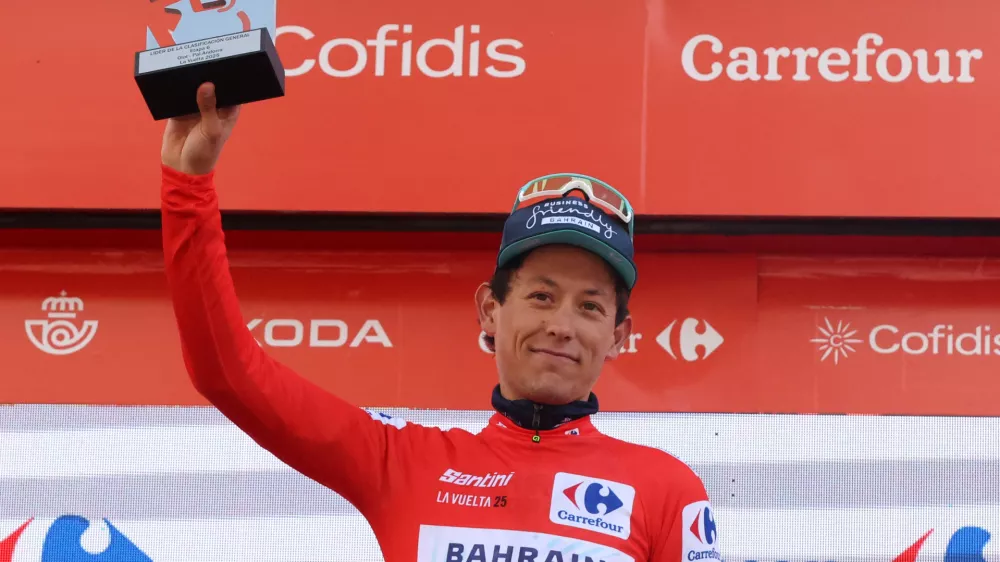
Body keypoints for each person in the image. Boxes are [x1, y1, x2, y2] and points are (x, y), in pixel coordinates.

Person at [159, 83, 723, 562]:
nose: (562, 325)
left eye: (591, 306)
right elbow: (225, 371)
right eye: (542, 295)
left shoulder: (667, 490)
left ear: (619, 336)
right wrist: (188, 189)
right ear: (490, 310)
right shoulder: (403, 461)